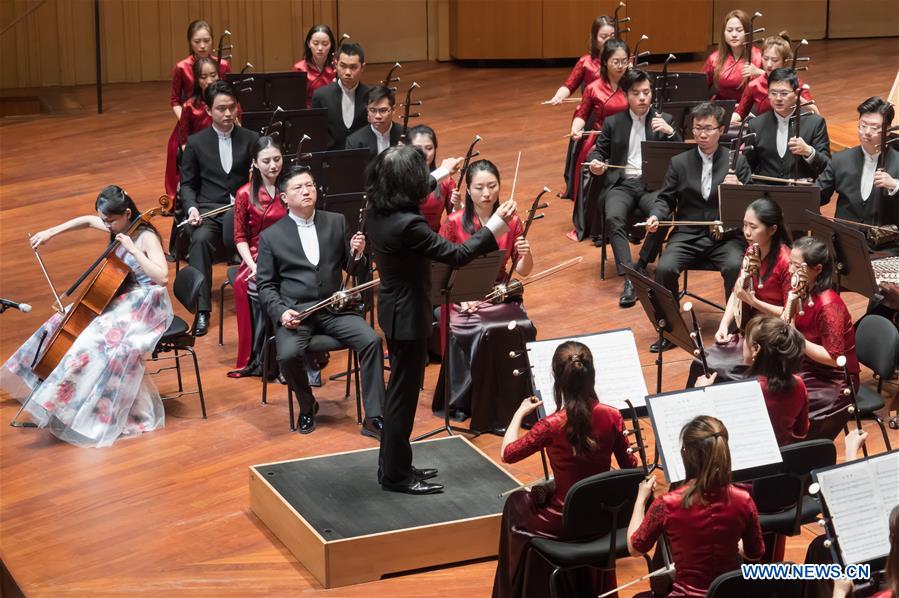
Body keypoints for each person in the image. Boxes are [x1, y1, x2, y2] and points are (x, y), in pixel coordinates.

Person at [366, 145, 518, 495]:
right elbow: (458, 254)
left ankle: (394, 465)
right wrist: (497, 224)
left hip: (393, 309)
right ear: (407, 183)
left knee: (399, 394)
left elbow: (408, 189)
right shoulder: (409, 224)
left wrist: (442, 172)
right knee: (402, 399)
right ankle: (395, 475)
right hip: (409, 316)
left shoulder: (378, 207)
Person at [0, 187, 173, 447]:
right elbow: (86, 221)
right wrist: (50, 233)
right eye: (105, 221)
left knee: (94, 342)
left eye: (110, 221)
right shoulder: (117, 225)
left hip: (147, 303)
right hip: (123, 296)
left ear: (127, 214)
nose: (106, 226)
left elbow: (162, 277)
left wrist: (133, 249)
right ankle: (45, 388)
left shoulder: (146, 236)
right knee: (61, 321)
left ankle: (77, 406)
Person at [492, 341, 637, 598]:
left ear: (557, 378)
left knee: (515, 503)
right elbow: (631, 469)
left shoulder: (550, 425)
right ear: (592, 374)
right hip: (604, 518)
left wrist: (518, 414)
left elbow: (508, 453)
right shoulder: (613, 416)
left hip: (563, 521)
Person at [256, 165, 386, 438]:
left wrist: (358, 255)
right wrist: (281, 313)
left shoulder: (335, 221)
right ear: (284, 198)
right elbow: (266, 285)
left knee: (371, 341)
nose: (306, 191)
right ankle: (307, 404)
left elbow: (353, 269)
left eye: (310, 185)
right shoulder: (271, 236)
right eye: (298, 187)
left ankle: (374, 417)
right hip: (297, 314)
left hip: (334, 309)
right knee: (287, 355)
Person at [434, 159, 535, 430]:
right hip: (461, 293)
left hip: (497, 293)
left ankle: (514, 400)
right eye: (479, 188)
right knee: (480, 330)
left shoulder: (513, 221)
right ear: (468, 190)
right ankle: (472, 401)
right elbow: (443, 269)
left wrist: (526, 254)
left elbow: (523, 270)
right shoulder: (454, 222)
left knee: (522, 325)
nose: (487, 193)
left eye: (492, 186)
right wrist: (463, 296)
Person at [645, 102, 752, 350]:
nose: (702, 134)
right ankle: (671, 332)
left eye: (708, 129)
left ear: (721, 130)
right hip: (687, 235)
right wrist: (656, 216)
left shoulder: (737, 162)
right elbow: (665, 199)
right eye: (697, 128)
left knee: (736, 267)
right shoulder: (679, 162)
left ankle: (735, 332)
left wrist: (738, 190)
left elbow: (751, 205)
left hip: (726, 238)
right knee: (664, 269)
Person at [628, 416, 765, 597]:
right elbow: (755, 554)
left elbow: (635, 548)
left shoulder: (667, 503)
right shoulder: (744, 499)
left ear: (686, 454)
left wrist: (640, 500)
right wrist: (729, 542)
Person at [585, 68, 680, 306]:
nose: (642, 98)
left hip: (653, 185)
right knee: (613, 216)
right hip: (622, 184)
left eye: (646, 92)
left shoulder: (665, 120)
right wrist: (596, 163)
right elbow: (598, 151)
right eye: (636, 93)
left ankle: (640, 266)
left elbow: (681, 157)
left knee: (663, 216)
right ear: (626, 95)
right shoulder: (613, 122)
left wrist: (671, 133)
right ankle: (630, 276)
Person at [180, 80, 260, 336]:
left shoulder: (252, 139)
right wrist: (192, 208)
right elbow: (187, 184)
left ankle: (262, 297)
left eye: (232, 107)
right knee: (200, 240)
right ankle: (203, 310)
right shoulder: (196, 142)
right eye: (221, 109)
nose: (228, 114)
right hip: (209, 210)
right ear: (208, 110)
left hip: (243, 209)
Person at [686, 198, 793, 384]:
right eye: (745, 225)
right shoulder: (751, 251)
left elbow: (789, 316)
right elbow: (737, 291)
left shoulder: (786, 262)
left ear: (772, 229)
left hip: (774, 338)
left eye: (753, 227)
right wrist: (724, 324)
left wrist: (753, 301)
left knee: (725, 374)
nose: (747, 232)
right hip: (750, 332)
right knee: (700, 364)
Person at [786, 236, 860, 441]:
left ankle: (798, 454)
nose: (790, 270)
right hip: (807, 365)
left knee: (789, 406)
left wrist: (795, 336)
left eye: (796, 266)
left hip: (835, 379)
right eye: (790, 263)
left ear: (817, 269)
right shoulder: (801, 289)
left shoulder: (829, 305)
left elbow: (834, 358)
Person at [698, 315, 808, 446]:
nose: (742, 343)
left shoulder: (742, 390)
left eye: (745, 339)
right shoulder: (799, 384)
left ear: (756, 349)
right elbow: (801, 431)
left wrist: (700, 392)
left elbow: (710, 432)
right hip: (783, 454)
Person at [228, 136, 287, 378]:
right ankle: (265, 358)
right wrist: (252, 265)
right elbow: (240, 237)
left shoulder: (290, 187)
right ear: (254, 162)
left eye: (277, 159)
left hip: (289, 254)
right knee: (257, 286)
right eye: (266, 161)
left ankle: (296, 357)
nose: (273, 165)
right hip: (256, 257)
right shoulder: (244, 193)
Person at [546, 15, 616, 201]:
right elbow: (569, 85)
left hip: (615, 113)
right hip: (591, 115)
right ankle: (578, 189)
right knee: (583, 152)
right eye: (603, 37)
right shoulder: (586, 61)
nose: (608, 40)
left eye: (612, 36)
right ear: (594, 38)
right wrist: (559, 96)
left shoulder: (622, 60)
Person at [569, 39, 631, 241]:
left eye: (625, 61)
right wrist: (575, 129)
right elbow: (582, 114)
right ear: (605, 62)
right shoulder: (593, 87)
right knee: (593, 168)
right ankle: (593, 225)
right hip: (600, 141)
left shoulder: (633, 85)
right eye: (616, 62)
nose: (621, 66)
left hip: (629, 141)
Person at [165, 20, 231, 199]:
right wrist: (187, 119)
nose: (202, 46)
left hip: (218, 120)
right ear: (190, 42)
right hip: (190, 119)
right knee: (176, 150)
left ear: (212, 40)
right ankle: (181, 195)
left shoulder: (223, 65)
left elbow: (228, 94)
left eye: (206, 41)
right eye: (197, 41)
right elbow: (175, 101)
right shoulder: (181, 67)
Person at [818, 96, 899, 227]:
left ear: (888, 129)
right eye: (863, 125)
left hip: (885, 239)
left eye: (874, 128)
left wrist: (895, 185)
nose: (867, 132)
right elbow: (818, 196)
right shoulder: (840, 159)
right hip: (845, 237)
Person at [745, 68, 831, 182]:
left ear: (796, 93)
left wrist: (808, 151)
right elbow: (747, 166)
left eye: (784, 93)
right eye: (773, 93)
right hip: (765, 190)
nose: (778, 98)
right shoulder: (755, 125)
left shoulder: (815, 123)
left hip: (800, 190)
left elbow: (827, 166)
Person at [731, 33, 817, 125]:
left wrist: (797, 97)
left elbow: (816, 114)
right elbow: (740, 112)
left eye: (774, 60)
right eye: (765, 59)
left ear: (785, 61)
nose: (768, 64)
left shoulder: (796, 84)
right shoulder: (754, 85)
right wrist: (729, 120)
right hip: (764, 131)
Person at [311, 41, 369, 150]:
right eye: (343, 66)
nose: (347, 72)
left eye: (353, 67)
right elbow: (316, 132)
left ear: (362, 67)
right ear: (336, 65)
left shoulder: (370, 96)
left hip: (362, 154)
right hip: (331, 156)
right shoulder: (321, 95)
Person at [408, 124, 461, 232]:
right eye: (418, 149)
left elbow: (455, 218)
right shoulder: (398, 178)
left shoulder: (446, 181)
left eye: (429, 148)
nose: (424, 154)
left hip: (433, 238)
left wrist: (458, 206)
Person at [703, 9, 763, 102]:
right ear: (724, 33)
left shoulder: (759, 56)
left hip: (752, 107)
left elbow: (777, 83)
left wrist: (760, 73)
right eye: (729, 30)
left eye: (739, 30)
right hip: (722, 107)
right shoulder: (714, 58)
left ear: (748, 32)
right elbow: (700, 88)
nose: (734, 35)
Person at [344, 86, 402, 155]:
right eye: (372, 110)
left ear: (393, 109)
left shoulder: (407, 134)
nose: (378, 116)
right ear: (367, 110)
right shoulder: (354, 141)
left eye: (383, 110)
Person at [292, 24, 337, 108]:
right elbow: (296, 99)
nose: (320, 48)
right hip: (309, 112)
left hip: (333, 109)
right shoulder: (299, 68)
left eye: (325, 44)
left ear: (331, 44)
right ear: (309, 44)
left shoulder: (338, 66)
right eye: (315, 43)